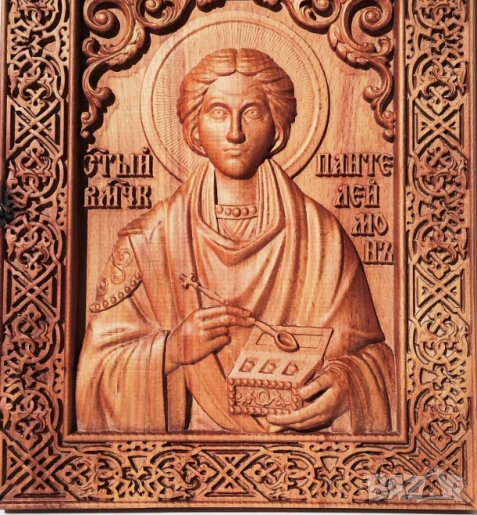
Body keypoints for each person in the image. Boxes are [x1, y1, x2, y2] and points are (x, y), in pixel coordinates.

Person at [76, 48, 395, 434]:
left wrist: (347, 386)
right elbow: (95, 373)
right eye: (218, 112)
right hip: (182, 464)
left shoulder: (322, 237)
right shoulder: (149, 241)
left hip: (307, 458)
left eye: (252, 112)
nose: (234, 133)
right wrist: (171, 350)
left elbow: (375, 357)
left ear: (277, 127)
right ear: (194, 129)